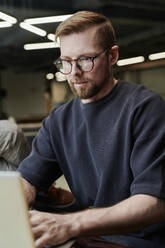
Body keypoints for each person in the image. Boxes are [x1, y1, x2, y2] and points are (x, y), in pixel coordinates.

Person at [17, 11, 165, 248]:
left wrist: (69, 224)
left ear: (112, 56)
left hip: (137, 241)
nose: (74, 72)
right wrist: (16, 202)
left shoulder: (145, 108)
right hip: (86, 238)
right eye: (66, 62)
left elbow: (154, 202)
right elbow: (27, 179)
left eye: (85, 60)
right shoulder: (58, 120)